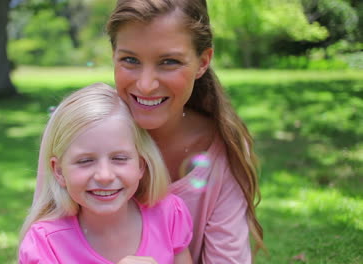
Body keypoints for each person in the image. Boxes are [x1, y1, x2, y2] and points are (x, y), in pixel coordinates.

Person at [106, 0, 266, 263]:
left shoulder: (223, 148)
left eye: (169, 62)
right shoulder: (78, 133)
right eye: (130, 59)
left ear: (202, 62)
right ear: (113, 56)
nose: (146, 85)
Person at [20, 83, 193, 264]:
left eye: (119, 158)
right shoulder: (45, 243)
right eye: (85, 161)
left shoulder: (168, 215)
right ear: (59, 171)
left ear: (141, 165)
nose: (105, 176)